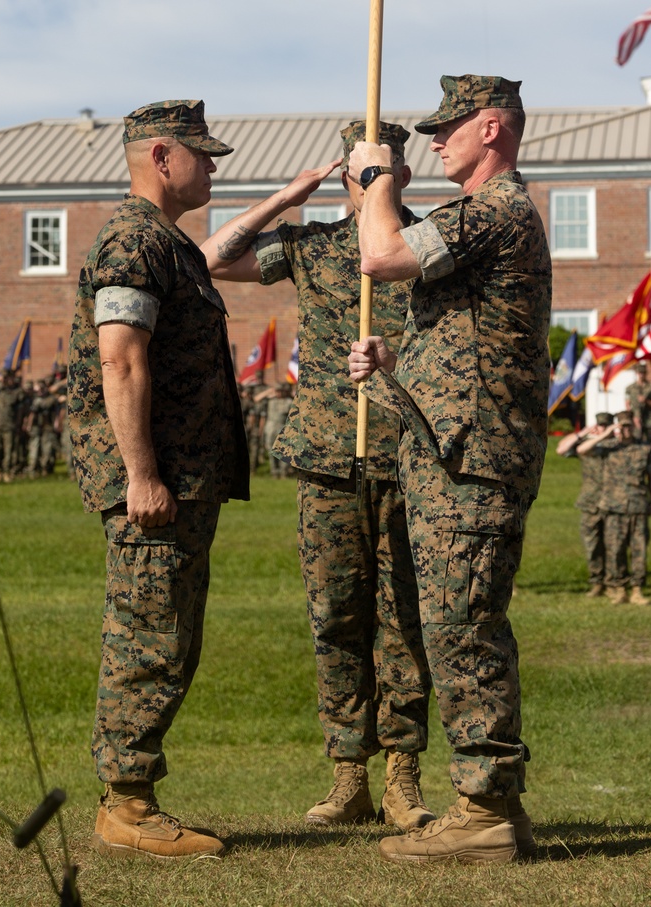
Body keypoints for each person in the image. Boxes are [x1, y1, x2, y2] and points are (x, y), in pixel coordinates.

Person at [204, 120, 434, 834]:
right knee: (336, 617)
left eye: (385, 171)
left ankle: (402, 775)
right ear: (345, 178)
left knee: (404, 619)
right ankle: (347, 775)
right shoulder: (314, 246)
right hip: (328, 459)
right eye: (363, 172)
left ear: (403, 177)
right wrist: (285, 196)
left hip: (405, 455)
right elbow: (212, 258)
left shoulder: (429, 245)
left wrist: (396, 355)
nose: (373, 184)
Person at [347, 75, 550, 866]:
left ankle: (484, 808)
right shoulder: (485, 215)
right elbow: (472, 336)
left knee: (463, 626)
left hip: (473, 461)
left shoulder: (495, 207)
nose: (434, 140)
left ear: (491, 128)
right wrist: (402, 360)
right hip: (453, 451)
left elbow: (381, 253)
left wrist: (377, 180)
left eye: (450, 127)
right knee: (457, 621)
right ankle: (491, 802)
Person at [67, 99, 249, 861]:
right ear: (163, 157)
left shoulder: (168, 243)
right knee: (149, 638)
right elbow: (122, 355)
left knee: (168, 636)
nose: (212, 167)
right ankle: (128, 806)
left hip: (182, 478)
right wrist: (141, 473)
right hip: (156, 483)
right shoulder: (135, 239)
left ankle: (131, 796)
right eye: (203, 155)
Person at [579, 411, 651, 605]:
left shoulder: (645, 449)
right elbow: (582, 450)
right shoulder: (608, 447)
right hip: (613, 507)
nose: (626, 430)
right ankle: (620, 588)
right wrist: (606, 434)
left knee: (639, 550)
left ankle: (637, 590)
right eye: (623, 426)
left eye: (629, 426)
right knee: (615, 550)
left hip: (637, 505)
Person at [556, 412, 613, 596]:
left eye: (606, 426)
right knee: (592, 544)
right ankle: (597, 582)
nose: (603, 429)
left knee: (613, 545)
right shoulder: (587, 445)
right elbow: (561, 449)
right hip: (590, 502)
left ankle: (613, 583)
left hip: (613, 502)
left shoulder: (617, 446)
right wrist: (583, 433)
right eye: (600, 426)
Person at [256, 381, 294, 480]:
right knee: (271, 451)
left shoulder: (289, 401)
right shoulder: (270, 401)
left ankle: (283, 472)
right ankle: (274, 472)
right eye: (277, 391)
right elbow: (256, 399)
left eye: (281, 391)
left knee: (283, 451)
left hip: (283, 429)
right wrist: (268, 391)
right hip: (270, 429)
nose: (279, 393)